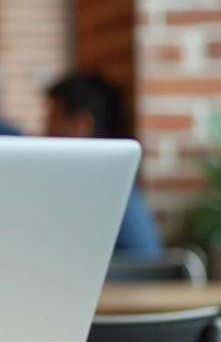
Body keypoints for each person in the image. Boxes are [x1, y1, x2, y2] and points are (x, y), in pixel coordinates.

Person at [45, 72, 163, 255]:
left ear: (80, 125)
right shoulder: (83, 185)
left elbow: (146, 262)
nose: (44, 131)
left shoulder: (108, 187)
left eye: (52, 119)